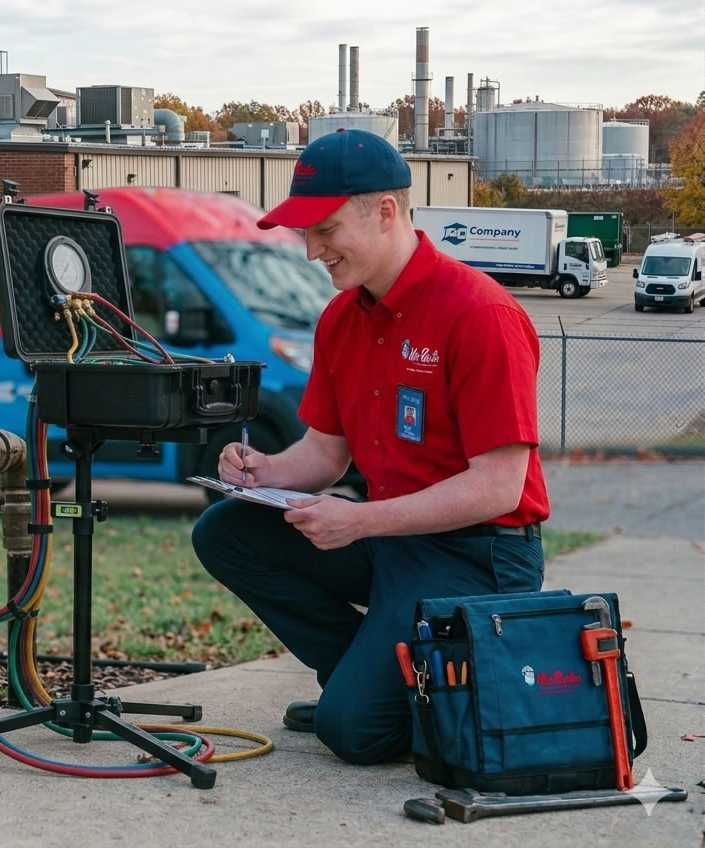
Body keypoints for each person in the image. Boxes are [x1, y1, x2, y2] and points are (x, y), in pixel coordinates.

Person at [190, 128, 550, 765]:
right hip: (391, 537)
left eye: (324, 230)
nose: (310, 251)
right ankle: (368, 673)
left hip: (476, 553)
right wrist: (264, 470)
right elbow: (326, 455)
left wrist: (360, 520)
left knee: (355, 735)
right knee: (225, 531)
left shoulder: (480, 314)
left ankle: (384, 694)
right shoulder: (340, 318)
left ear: (385, 212)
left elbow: (498, 486)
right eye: (305, 233)